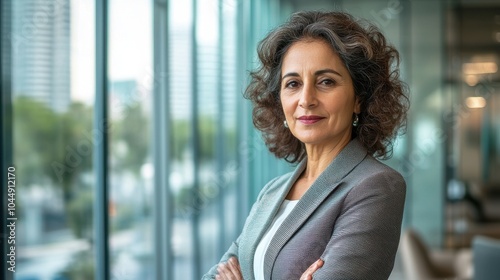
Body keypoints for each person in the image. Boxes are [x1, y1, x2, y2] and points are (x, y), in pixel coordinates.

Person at [203, 10, 409, 280]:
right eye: (293, 83)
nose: (306, 99)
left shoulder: (377, 186)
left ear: (359, 98)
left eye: (326, 81)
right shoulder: (272, 191)